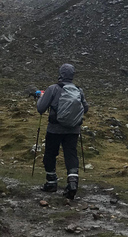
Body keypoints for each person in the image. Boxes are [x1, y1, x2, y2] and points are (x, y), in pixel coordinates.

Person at [36, 63, 89, 199]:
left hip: (54, 129)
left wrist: (41, 97)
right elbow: (86, 108)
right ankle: (72, 184)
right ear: (72, 75)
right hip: (73, 129)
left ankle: (51, 182)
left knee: (50, 154)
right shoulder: (79, 90)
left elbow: (41, 108)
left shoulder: (53, 89)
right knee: (71, 155)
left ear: (60, 74)